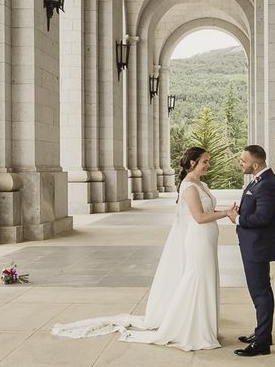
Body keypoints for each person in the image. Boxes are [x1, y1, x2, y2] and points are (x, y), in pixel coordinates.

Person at [51, 147, 233, 351]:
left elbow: (206, 211)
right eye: (205, 162)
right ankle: (190, 327)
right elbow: (199, 218)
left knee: (207, 278)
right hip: (198, 239)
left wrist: (227, 212)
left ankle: (204, 324)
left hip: (207, 239)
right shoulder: (189, 186)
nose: (208, 165)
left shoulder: (200, 184)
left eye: (208, 161)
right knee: (197, 278)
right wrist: (226, 213)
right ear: (192, 163)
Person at [227, 145, 275, 357]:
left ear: (255, 164)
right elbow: (257, 208)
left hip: (257, 246)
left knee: (260, 293)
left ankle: (262, 343)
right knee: (259, 292)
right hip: (252, 245)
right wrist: (243, 210)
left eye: (243, 160)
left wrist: (238, 218)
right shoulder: (260, 179)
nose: (241, 163)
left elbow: (263, 217)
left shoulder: (266, 183)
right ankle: (262, 334)